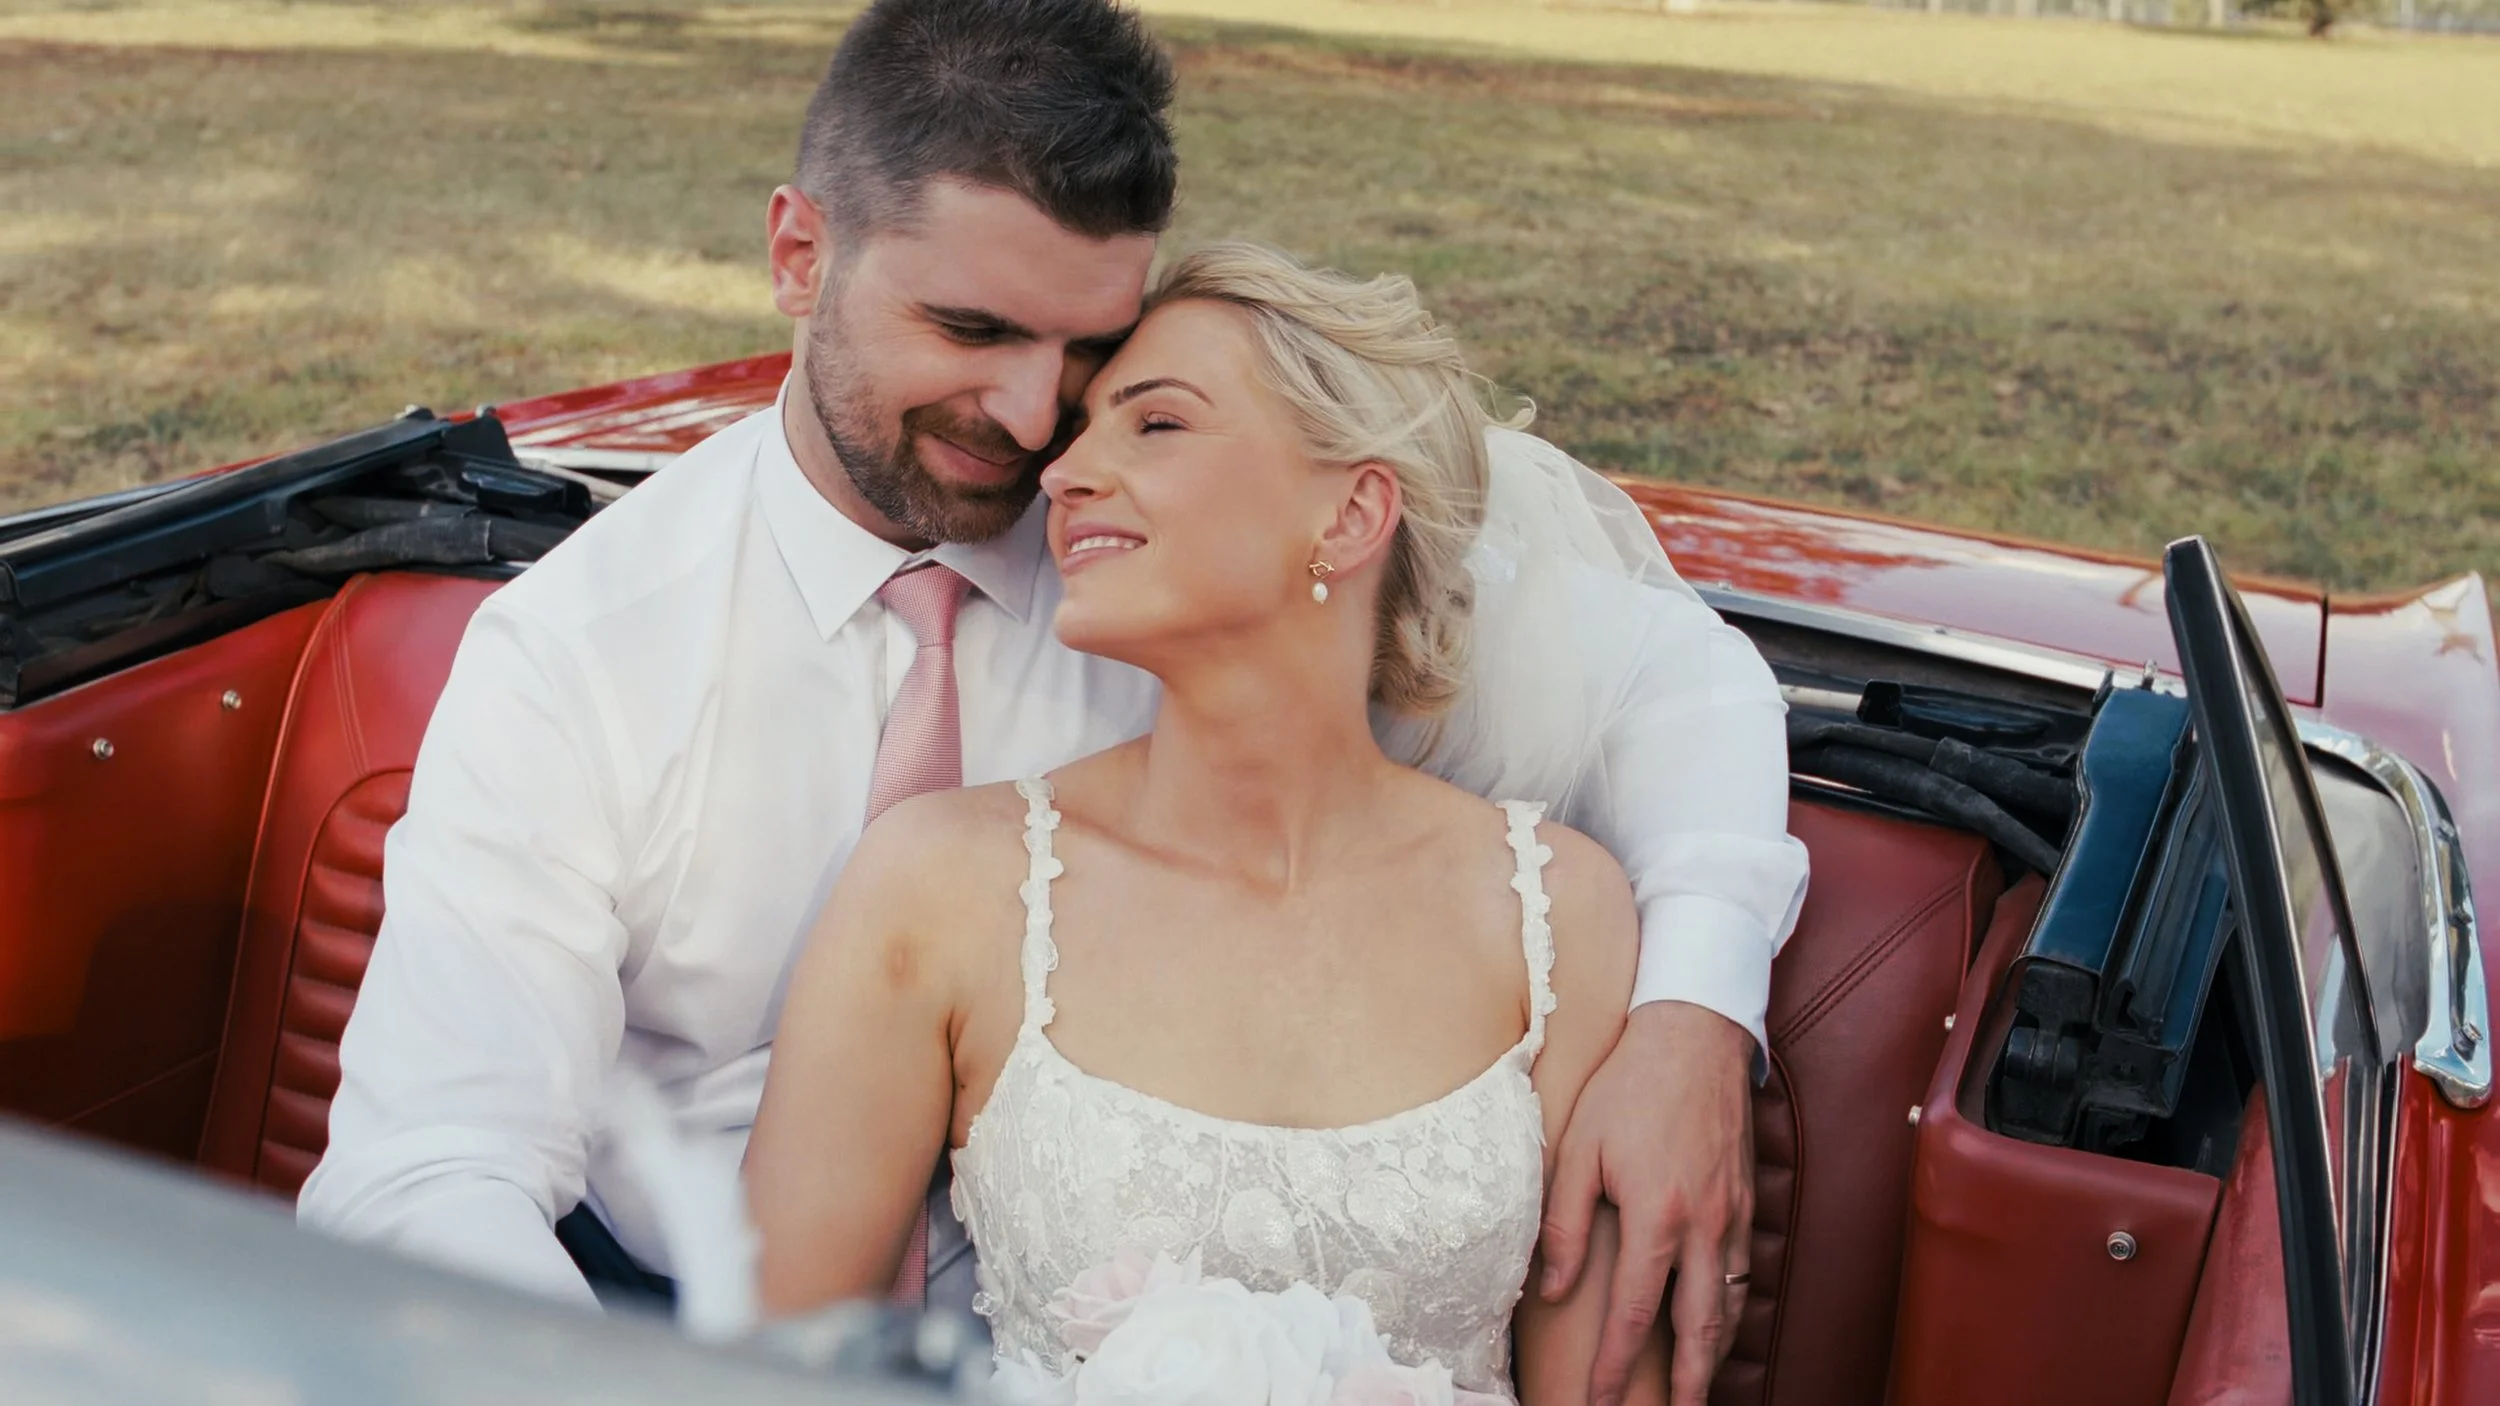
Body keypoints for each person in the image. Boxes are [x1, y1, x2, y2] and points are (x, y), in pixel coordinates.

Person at [297, 4, 1805, 1404]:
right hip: (692, 1318)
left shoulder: (1180, 570)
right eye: (971, 332)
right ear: (800, 255)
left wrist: (1692, 1016)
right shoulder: (581, 654)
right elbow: (431, 1164)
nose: (1035, 423)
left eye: (1091, 352)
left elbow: (1674, 679)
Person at [750, 239, 1668, 1402]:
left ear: (1348, 514)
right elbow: (763, 1366)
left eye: (1157, 424)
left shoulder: (1558, 914)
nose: (1062, 473)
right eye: (1082, 431)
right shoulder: (944, 881)